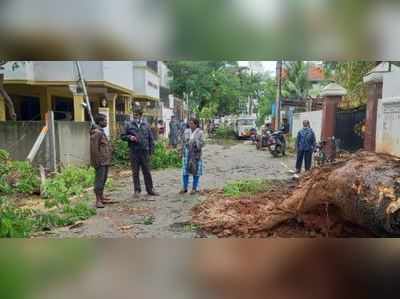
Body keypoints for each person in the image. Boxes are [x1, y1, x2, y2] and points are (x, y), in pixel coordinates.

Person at [121, 104, 159, 198]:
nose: (135, 116)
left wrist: (151, 152)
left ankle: (150, 190)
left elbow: (151, 139)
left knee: (147, 171)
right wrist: (129, 137)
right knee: (135, 172)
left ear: (141, 115)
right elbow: (122, 136)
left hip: (144, 152)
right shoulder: (128, 124)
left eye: (137, 115)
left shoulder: (146, 125)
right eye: (134, 115)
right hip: (134, 152)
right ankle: (137, 190)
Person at [90, 114, 113, 208]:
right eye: (105, 120)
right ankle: (98, 200)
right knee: (99, 181)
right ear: (100, 122)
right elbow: (94, 149)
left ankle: (102, 197)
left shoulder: (101, 131)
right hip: (100, 161)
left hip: (105, 160)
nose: (106, 122)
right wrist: (96, 161)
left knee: (103, 179)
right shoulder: (97, 133)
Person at [180, 118, 205, 195]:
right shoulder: (186, 131)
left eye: (192, 123)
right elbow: (183, 142)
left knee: (196, 171)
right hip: (187, 154)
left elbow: (203, 143)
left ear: (196, 124)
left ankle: (194, 188)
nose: (190, 125)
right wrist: (181, 152)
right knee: (185, 171)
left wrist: (195, 142)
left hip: (195, 154)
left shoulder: (200, 132)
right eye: (189, 123)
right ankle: (185, 188)